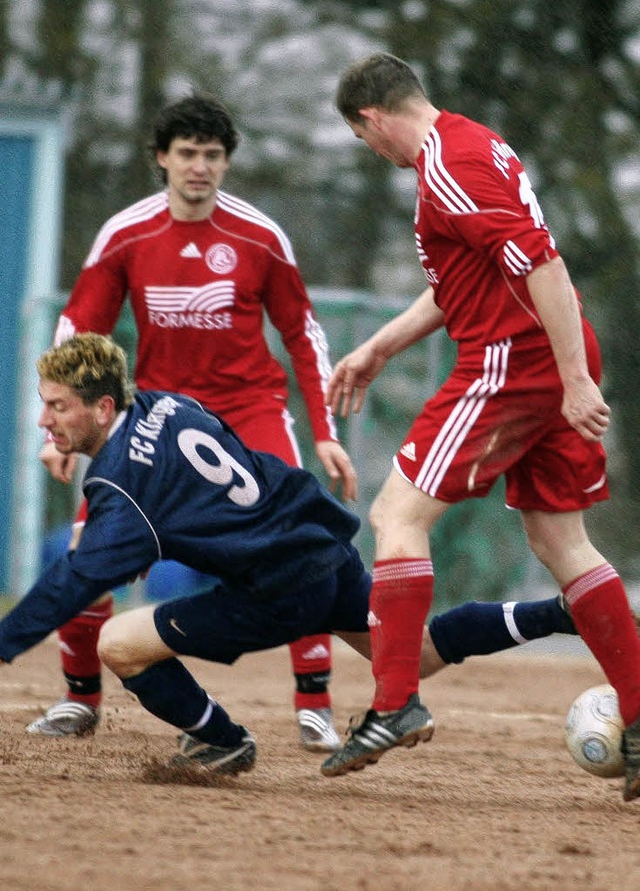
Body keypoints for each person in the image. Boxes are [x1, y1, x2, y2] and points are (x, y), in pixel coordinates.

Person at [0, 334, 612, 782]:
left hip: (275, 588)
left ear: (103, 408)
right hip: (318, 545)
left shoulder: (118, 482)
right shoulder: (169, 404)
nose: (44, 419)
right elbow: (216, 465)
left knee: (118, 643)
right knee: (414, 652)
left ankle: (223, 741)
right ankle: (557, 614)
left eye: (57, 406)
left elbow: (73, 583)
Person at [320, 52, 640, 803]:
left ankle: (395, 701)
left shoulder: (448, 166)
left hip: (513, 361)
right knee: (560, 540)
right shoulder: (472, 144)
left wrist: (572, 381)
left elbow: (544, 266)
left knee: (396, 514)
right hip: (541, 354)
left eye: (365, 141)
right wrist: (376, 347)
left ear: (371, 118)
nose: (375, 155)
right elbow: (459, 285)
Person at [30, 94, 357, 752]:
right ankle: (79, 699)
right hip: (157, 423)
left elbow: (302, 332)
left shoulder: (261, 236)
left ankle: (315, 704)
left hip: (249, 414)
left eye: (212, 154)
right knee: (86, 551)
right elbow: (77, 329)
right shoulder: (126, 233)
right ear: (162, 159)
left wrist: (323, 430)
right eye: (187, 153)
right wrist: (55, 431)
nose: (200, 167)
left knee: (303, 543)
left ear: (227, 162)